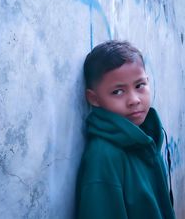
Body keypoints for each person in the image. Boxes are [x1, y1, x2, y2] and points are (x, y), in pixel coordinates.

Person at [75, 40, 176, 219]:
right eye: (118, 92)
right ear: (94, 98)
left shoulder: (147, 137)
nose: (134, 100)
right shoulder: (103, 157)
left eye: (139, 86)